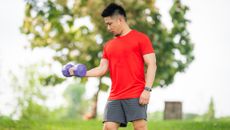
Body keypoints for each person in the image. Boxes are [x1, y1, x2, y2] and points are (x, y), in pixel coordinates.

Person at [69, 3, 157, 130]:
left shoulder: (141, 39)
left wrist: (147, 90)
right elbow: (102, 69)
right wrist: (80, 73)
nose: (108, 28)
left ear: (120, 20)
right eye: (106, 24)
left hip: (136, 93)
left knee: (140, 127)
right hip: (115, 95)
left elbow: (152, 64)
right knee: (108, 127)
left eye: (110, 23)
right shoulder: (109, 45)